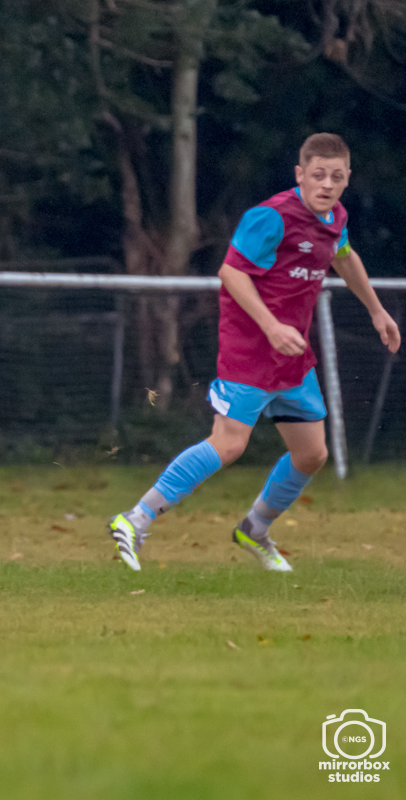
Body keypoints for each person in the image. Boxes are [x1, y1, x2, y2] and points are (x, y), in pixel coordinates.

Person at [108, 133, 400, 572]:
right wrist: (271, 326)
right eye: (318, 175)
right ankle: (135, 519)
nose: (327, 184)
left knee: (312, 454)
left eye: (336, 177)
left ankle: (254, 528)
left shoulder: (335, 216)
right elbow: (231, 273)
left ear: (347, 179)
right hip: (251, 351)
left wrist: (376, 311)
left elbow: (343, 256)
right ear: (300, 174)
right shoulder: (271, 217)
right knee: (229, 444)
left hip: (292, 355)